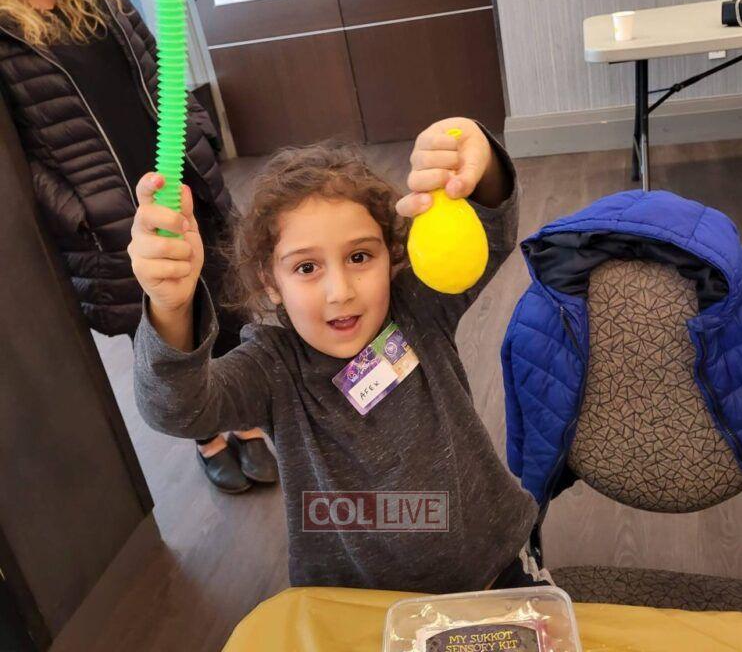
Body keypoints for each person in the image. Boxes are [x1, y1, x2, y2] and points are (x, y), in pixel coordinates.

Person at [130, 117, 545, 592]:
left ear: (392, 256)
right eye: (307, 267)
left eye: (359, 257)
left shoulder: (417, 310)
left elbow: (492, 233)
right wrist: (170, 308)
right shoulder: (271, 369)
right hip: (359, 604)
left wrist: (478, 161)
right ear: (270, 283)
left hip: (495, 568)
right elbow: (177, 408)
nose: (340, 291)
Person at [0, 0, 276, 493]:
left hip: (177, 171)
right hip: (106, 211)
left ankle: (244, 417)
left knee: (225, 294)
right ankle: (207, 436)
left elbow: (156, 58)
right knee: (160, 322)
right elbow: (16, 160)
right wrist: (78, 212)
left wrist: (198, 134)